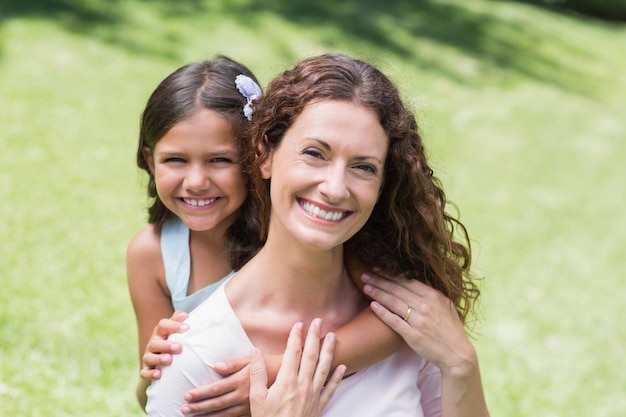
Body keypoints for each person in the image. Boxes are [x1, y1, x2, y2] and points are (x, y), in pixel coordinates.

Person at [145, 53, 489, 417]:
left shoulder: (412, 319)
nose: (336, 188)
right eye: (314, 153)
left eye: (363, 167)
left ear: (383, 185)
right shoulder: (197, 358)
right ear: (264, 154)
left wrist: (461, 364)